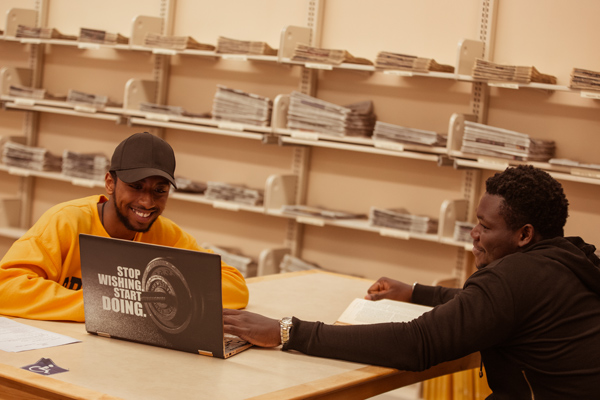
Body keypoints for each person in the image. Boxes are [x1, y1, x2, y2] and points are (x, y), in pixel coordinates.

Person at [223, 165, 600, 399]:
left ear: (524, 234)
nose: (473, 235)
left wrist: (288, 331)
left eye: (485, 227)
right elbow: (489, 303)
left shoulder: (516, 277)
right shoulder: (569, 258)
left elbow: (416, 343)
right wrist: (418, 292)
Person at [0, 132, 249, 322]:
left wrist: (146, 300)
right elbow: (6, 287)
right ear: (110, 183)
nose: (147, 202)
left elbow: (235, 288)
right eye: (136, 186)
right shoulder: (66, 221)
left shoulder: (166, 234)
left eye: (159, 191)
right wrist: (111, 304)